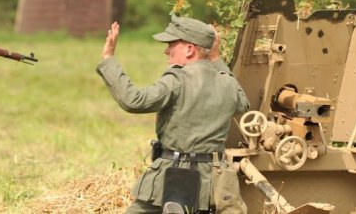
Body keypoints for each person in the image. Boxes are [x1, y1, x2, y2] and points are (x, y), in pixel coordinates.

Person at [96, 17, 250, 214]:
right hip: (214, 183)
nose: (166, 50)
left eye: (171, 44)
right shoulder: (226, 82)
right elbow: (243, 105)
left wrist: (109, 59)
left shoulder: (177, 80)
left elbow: (134, 100)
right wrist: (216, 59)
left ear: (189, 49)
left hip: (175, 177)